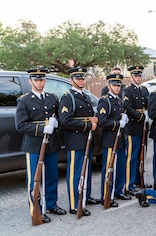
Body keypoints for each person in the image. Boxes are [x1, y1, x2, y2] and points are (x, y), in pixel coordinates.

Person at [15, 68, 66, 224]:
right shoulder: (24, 100)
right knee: (35, 180)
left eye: (42, 79)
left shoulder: (52, 98)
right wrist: (42, 129)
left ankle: (51, 204)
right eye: (36, 80)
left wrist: (56, 123)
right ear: (31, 81)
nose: (39, 82)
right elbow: (20, 125)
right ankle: (36, 208)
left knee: (52, 176)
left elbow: (57, 116)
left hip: (51, 144)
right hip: (34, 146)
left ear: (45, 81)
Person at [59, 67, 99, 216]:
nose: (81, 80)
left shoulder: (85, 96)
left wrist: (93, 119)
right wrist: (89, 124)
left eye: (83, 78)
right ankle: (75, 204)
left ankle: (85, 196)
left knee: (86, 170)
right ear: (71, 80)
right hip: (75, 140)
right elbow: (66, 120)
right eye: (78, 78)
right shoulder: (68, 97)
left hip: (87, 139)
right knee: (75, 173)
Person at [97, 74, 131, 208]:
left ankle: (118, 191)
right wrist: (117, 123)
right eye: (115, 85)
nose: (117, 88)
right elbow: (102, 121)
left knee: (120, 166)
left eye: (119, 85)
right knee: (110, 168)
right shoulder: (105, 101)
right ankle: (106, 195)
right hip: (110, 140)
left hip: (120, 139)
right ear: (109, 85)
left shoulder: (119, 100)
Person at [122, 66, 151, 195]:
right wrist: (140, 116)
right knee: (132, 157)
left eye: (140, 76)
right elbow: (127, 107)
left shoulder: (144, 89)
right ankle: (129, 184)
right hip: (133, 126)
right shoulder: (127, 90)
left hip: (143, 126)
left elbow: (148, 104)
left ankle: (139, 180)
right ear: (132, 77)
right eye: (137, 76)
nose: (139, 78)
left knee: (141, 155)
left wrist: (148, 113)